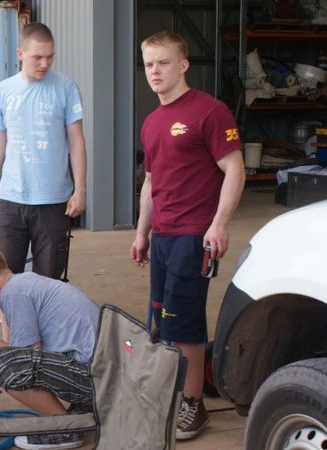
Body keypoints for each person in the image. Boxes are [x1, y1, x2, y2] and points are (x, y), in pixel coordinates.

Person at [130, 31, 246, 440]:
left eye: (163, 62)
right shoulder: (151, 122)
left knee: (184, 325)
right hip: (162, 237)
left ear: (183, 65)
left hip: (194, 235)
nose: (155, 71)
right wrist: (142, 232)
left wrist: (219, 223)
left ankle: (194, 406)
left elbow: (235, 168)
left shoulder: (208, 113)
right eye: (148, 64)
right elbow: (151, 181)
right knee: (160, 322)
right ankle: (174, 393)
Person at [0, 22, 86, 280]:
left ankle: (41, 322)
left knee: (47, 280)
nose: (45, 64)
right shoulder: (4, 90)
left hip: (52, 201)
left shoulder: (66, 87)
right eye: (38, 57)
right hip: (10, 199)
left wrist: (79, 190)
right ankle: (10, 323)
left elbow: (77, 141)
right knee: (4, 279)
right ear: (20, 54)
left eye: (50, 57)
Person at [0, 247, 98, 450]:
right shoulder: (23, 284)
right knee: (10, 360)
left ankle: (64, 429)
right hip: (103, 372)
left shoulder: (15, 292)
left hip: (99, 379)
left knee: (4, 366)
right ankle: (84, 408)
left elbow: (21, 360)